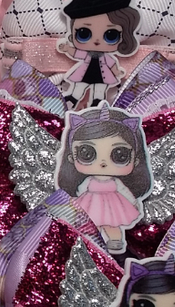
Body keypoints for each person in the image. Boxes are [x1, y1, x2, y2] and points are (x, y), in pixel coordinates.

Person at [56, 103, 151, 252]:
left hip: (114, 206)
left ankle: (115, 242)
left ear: (136, 159)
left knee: (112, 225)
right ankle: (91, 244)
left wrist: (133, 202)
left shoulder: (116, 182)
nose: (102, 163)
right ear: (71, 157)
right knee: (91, 225)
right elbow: (79, 191)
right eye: (87, 153)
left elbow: (125, 191)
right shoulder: (88, 182)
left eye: (120, 154)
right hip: (90, 205)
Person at [57, 0, 140, 109]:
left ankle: (97, 103)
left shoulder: (107, 58)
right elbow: (76, 53)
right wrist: (67, 48)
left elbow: (112, 64)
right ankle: (72, 99)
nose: (96, 41)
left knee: (99, 90)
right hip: (84, 73)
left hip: (103, 76)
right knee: (78, 86)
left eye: (111, 35)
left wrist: (116, 71)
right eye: (84, 34)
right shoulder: (86, 54)